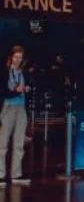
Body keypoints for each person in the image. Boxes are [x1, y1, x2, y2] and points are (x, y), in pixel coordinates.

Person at [0, 46, 32, 186]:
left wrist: (27, 88)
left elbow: (28, 86)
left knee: (19, 143)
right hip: (8, 107)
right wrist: (16, 91)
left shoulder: (23, 72)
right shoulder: (4, 72)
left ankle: (16, 175)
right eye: (16, 57)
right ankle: (0, 174)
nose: (18, 60)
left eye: (20, 57)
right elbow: (3, 92)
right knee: (2, 143)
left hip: (21, 107)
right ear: (11, 57)